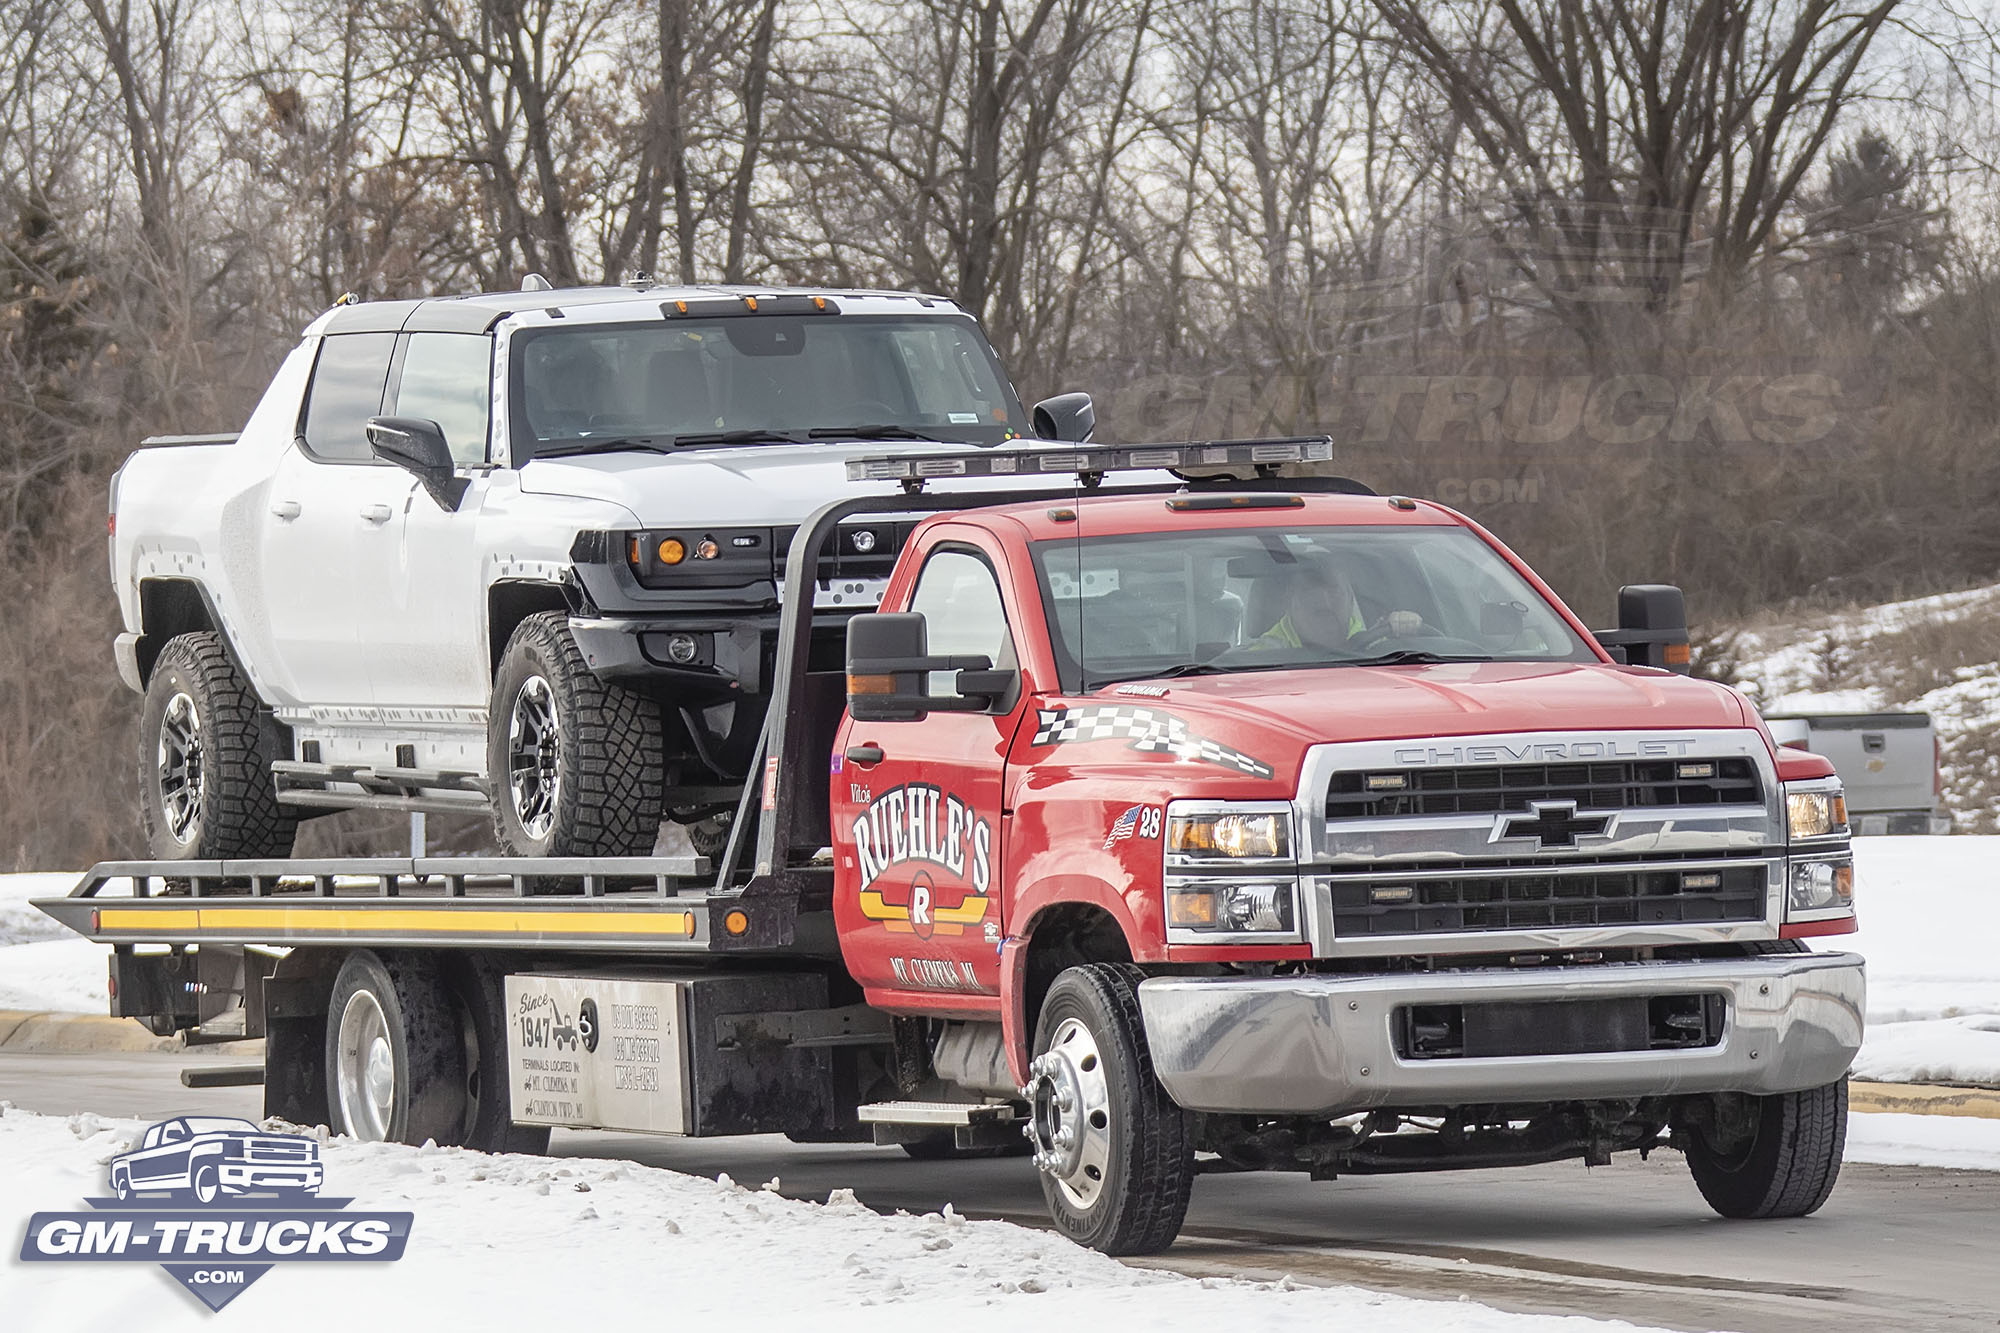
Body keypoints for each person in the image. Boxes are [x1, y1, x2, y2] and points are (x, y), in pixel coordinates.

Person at [1249, 553, 1367, 653]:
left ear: (1351, 598)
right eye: (1311, 592)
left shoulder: (1377, 648)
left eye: (1334, 590)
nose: (1325, 602)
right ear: (1289, 602)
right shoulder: (1258, 661)